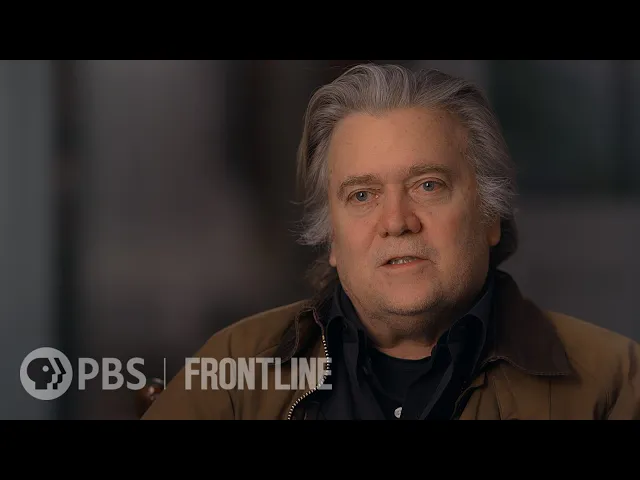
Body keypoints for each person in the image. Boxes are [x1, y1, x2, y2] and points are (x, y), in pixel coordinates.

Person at [142, 63, 640, 420]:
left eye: (428, 186)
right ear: (331, 238)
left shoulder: (613, 380)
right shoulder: (234, 367)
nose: (397, 222)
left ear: (490, 215)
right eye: (362, 195)